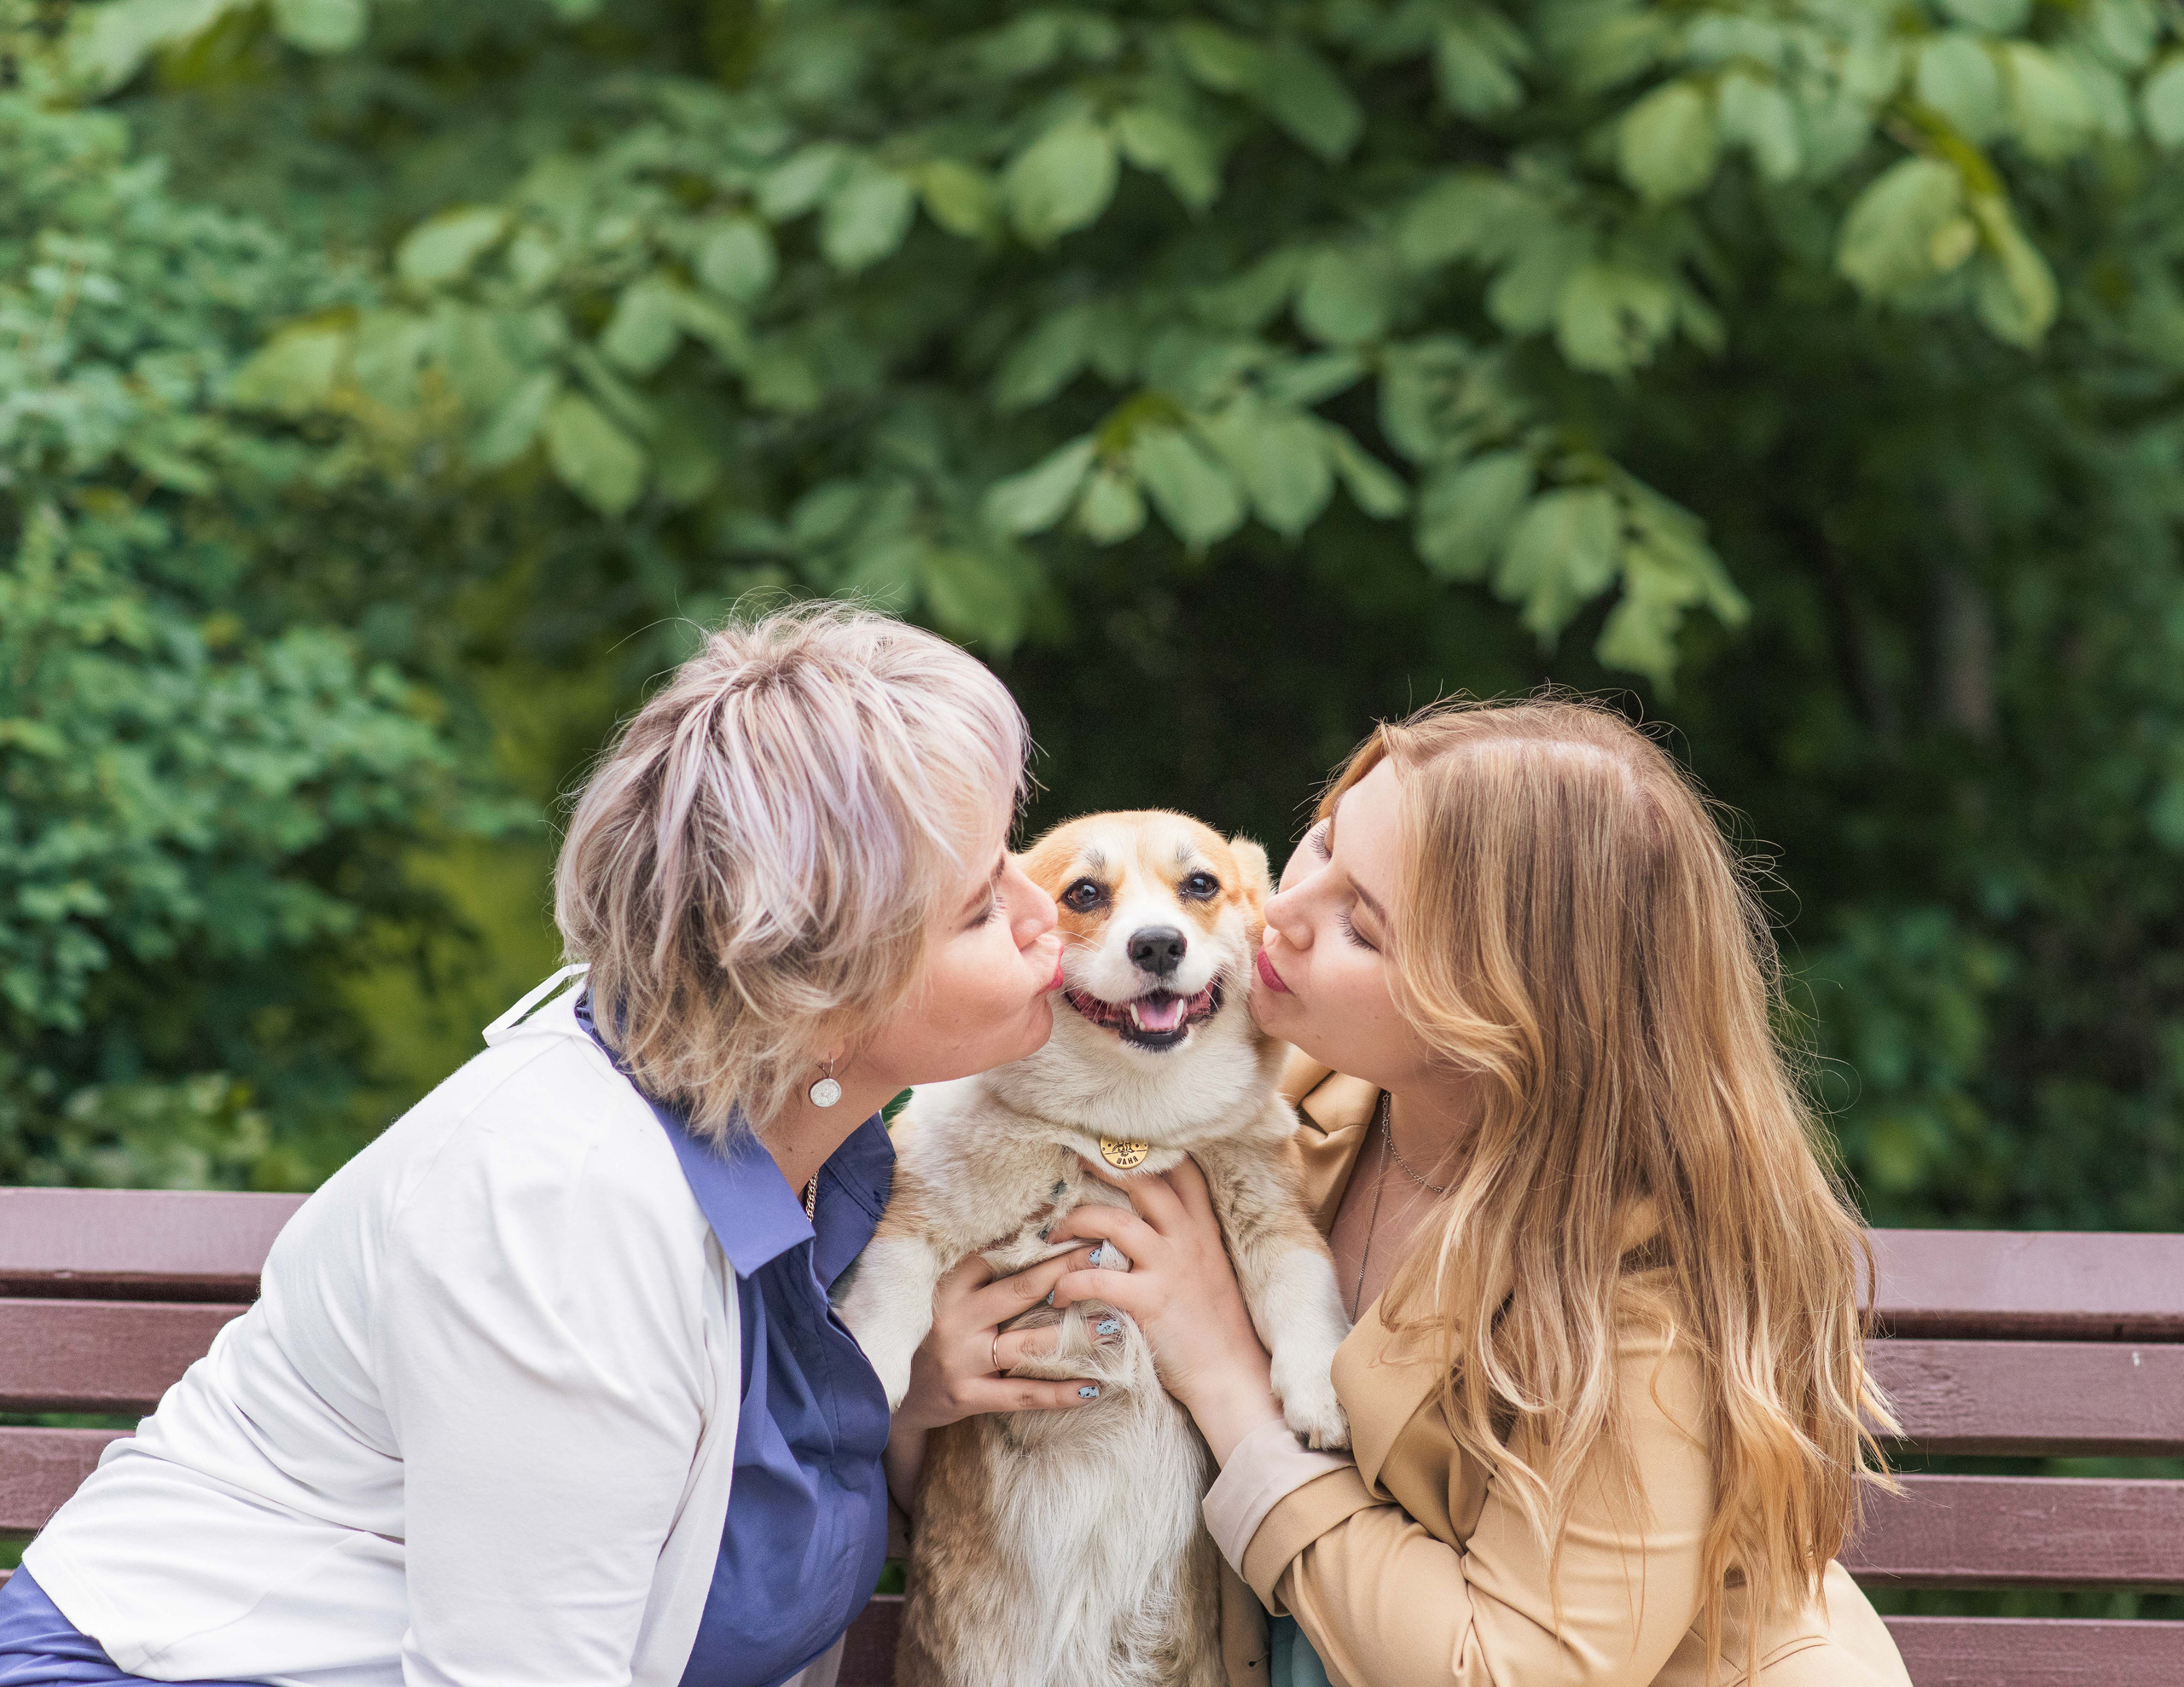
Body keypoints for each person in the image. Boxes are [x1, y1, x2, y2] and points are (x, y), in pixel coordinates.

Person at [0, 605, 1106, 1687]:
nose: (1040, 904)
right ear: (811, 996)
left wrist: (893, 1397)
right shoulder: (559, 1211)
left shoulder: (821, 1154)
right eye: (973, 909)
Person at [1050, 698, 1916, 1686]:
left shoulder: (1646, 1291)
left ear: (1497, 1016)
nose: (1274, 911)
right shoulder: (1292, 1084)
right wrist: (931, 1384)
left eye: (1361, 927)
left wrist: (1229, 1383)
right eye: (1318, 843)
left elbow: (1503, 1672)